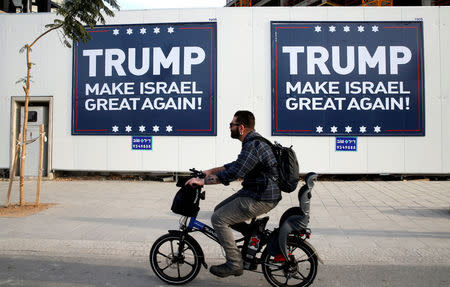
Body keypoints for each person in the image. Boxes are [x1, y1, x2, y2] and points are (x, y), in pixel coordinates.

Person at [186, 110, 281, 278]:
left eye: (232, 125)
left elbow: (234, 172)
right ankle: (252, 232)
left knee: (219, 219)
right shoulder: (252, 142)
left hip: (261, 197)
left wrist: (203, 182)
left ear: (241, 127)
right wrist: (209, 171)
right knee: (219, 209)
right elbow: (235, 164)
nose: (229, 127)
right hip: (257, 192)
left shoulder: (253, 145)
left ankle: (235, 263)